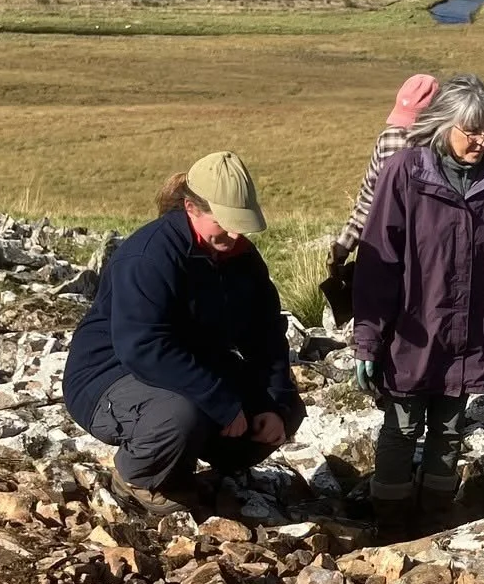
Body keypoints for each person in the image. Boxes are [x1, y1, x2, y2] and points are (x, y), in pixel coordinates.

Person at [62, 152, 304, 514]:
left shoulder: (241, 257)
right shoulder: (148, 256)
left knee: (283, 410)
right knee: (183, 412)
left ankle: (184, 465)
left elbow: (266, 335)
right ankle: (137, 477)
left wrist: (276, 403)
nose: (236, 233)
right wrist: (220, 402)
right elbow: (143, 346)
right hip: (109, 376)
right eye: (225, 222)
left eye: (242, 223)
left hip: (192, 366)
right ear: (191, 208)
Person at [352, 74, 484, 529]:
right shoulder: (405, 173)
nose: (482, 141)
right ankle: (390, 525)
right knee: (402, 426)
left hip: (471, 327)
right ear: (443, 125)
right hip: (412, 327)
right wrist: (367, 340)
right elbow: (378, 262)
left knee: (450, 428)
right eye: (471, 131)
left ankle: (435, 520)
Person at [321, 74, 440, 326]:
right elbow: (368, 199)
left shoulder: (449, 149)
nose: (405, 131)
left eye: (413, 123)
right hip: (388, 252)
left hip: (433, 260)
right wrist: (344, 245)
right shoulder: (388, 140)